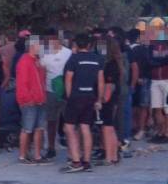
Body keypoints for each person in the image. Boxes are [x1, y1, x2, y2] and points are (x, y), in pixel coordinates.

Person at [62, 33, 105, 173]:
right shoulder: (98, 59)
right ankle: (86, 161)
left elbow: (68, 79)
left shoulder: (73, 59)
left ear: (76, 45)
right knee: (85, 128)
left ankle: (76, 162)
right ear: (89, 45)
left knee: (69, 128)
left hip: (75, 96)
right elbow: (100, 81)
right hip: (90, 96)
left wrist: (69, 97)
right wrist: (99, 99)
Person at [16, 37, 50, 165]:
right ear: (32, 46)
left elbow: (41, 80)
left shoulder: (36, 61)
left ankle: (37, 155)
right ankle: (22, 155)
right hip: (29, 101)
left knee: (39, 128)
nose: (41, 47)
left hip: (40, 99)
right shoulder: (24, 61)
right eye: (39, 45)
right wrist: (27, 98)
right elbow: (22, 83)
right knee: (27, 128)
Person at [40, 30, 72, 159]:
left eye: (52, 40)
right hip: (49, 91)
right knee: (51, 121)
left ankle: (72, 150)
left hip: (65, 91)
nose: (49, 43)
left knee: (69, 122)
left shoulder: (68, 53)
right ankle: (51, 147)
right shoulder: (43, 53)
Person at [99, 36, 123, 165]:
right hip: (113, 98)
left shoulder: (110, 65)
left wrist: (102, 100)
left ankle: (109, 157)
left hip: (108, 99)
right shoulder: (116, 63)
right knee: (111, 127)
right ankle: (113, 156)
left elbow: (109, 85)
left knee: (107, 128)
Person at [127, 28, 150, 141]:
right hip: (140, 79)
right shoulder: (143, 49)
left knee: (139, 106)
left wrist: (139, 77)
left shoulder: (132, 49)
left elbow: (143, 64)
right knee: (140, 106)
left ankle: (140, 128)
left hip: (136, 80)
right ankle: (138, 128)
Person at [147, 35, 168, 143]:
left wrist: (157, 61)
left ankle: (166, 132)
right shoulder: (152, 45)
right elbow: (149, 61)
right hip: (155, 80)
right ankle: (160, 131)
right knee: (156, 107)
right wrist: (161, 61)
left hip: (166, 80)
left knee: (167, 108)